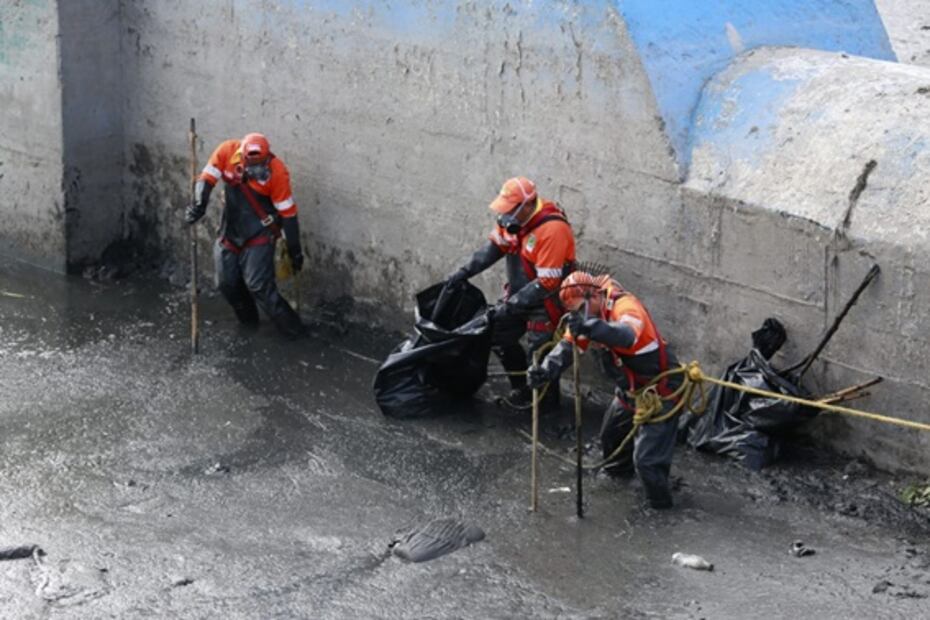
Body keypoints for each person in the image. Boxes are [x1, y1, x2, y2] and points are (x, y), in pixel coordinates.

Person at [527, 271, 682, 509]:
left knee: (647, 462)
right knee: (611, 439)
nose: (579, 316)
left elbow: (626, 335)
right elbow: (568, 348)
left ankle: (660, 508)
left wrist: (591, 327)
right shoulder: (586, 317)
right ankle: (620, 480)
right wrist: (546, 371)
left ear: (596, 295)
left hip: (661, 391)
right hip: (629, 391)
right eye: (575, 312)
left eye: (581, 309)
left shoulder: (626, 307)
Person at [446, 177, 576, 408]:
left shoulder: (552, 230)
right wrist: (462, 273)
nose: (505, 215)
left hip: (545, 302)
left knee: (540, 355)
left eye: (510, 209)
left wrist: (510, 305)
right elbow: (494, 249)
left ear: (527, 206)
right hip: (518, 295)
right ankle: (522, 389)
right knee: (496, 335)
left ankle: (545, 406)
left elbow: (547, 282)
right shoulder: (512, 222)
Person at [186, 132, 305, 338]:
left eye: (261, 163)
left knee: (259, 286)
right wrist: (199, 205)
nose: (257, 168)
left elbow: (288, 214)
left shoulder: (277, 172)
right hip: (230, 232)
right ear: (242, 157)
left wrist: (295, 250)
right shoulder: (226, 151)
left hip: (259, 234)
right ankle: (249, 324)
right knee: (227, 283)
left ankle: (296, 332)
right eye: (253, 163)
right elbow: (207, 177)